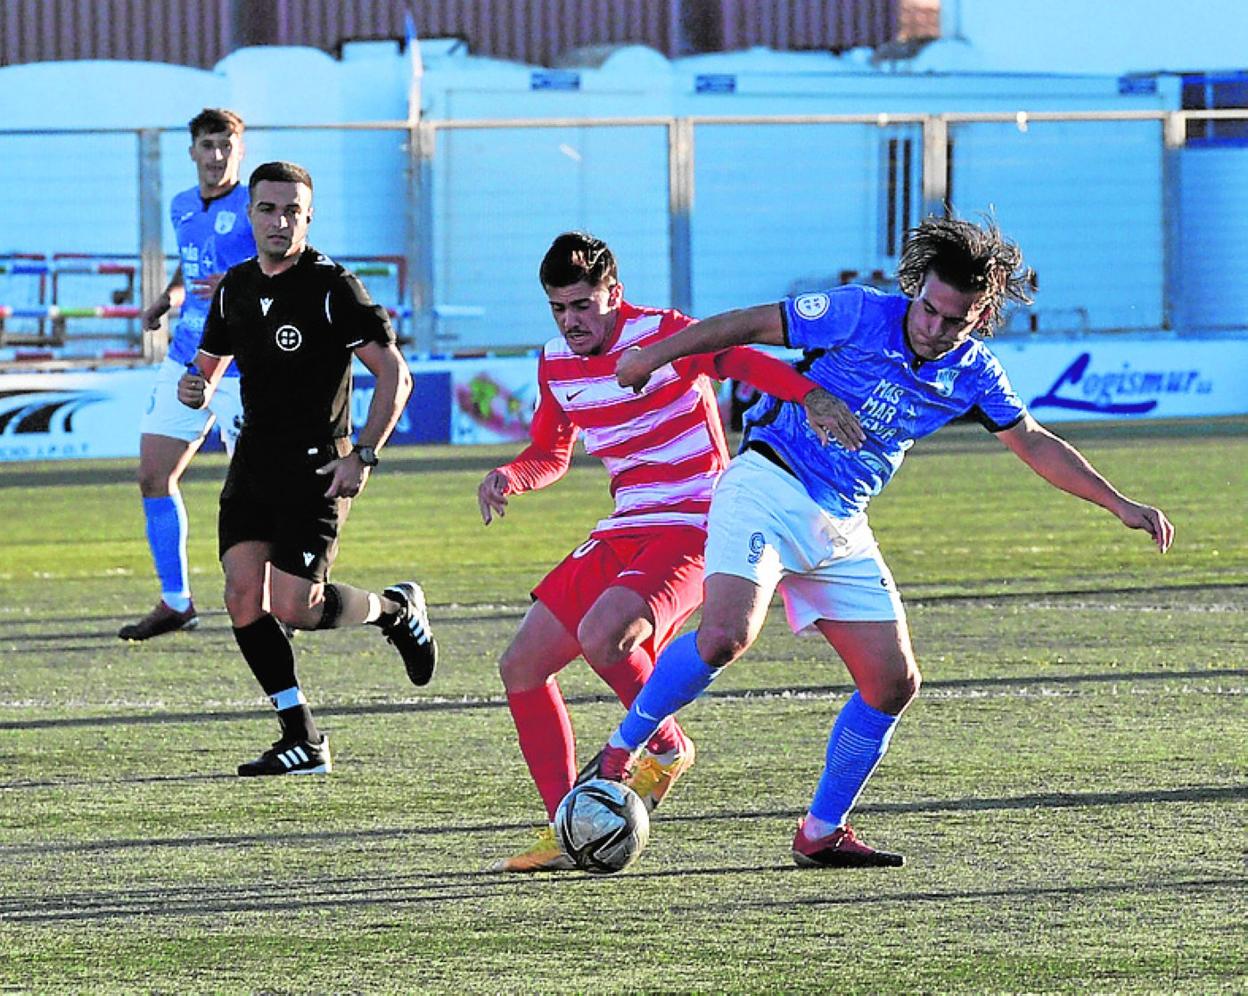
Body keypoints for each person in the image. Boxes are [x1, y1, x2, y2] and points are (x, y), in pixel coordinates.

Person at [581, 216, 1175, 868]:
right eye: (929, 309)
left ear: (979, 318)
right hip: (768, 485)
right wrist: (652, 356)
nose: (934, 328)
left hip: (842, 523)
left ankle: (821, 831)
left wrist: (1119, 503)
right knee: (726, 635)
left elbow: (1032, 442)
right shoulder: (859, 312)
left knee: (893, 683)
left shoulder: (975, 373)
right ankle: (619, 751)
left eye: (955, 321)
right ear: (916, 290)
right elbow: (747, 324)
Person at [477, 231, 827, 872]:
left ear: (614, 292)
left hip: (698, 522)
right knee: (521, 665)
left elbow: (741, 362)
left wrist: (810, 396)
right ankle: (568, 825)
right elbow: (550, 453)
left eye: (582, 305)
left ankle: (664, 747)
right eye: (558, 309)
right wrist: (510, 476)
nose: (570, 321)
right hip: (626, 525)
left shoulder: (664, 334)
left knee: (604, 635)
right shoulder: (555, 363)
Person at [177, 160, 437, 776]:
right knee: (242, 595)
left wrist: (363, 454)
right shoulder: (236, 288)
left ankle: (396, 611)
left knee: (296, 606)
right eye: (268, 209)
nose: (279, 221)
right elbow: (206, 369)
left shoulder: (333, 288)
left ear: (308, 217)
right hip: (253, 464)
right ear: (250, 214)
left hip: (317, 466)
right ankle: (302, 736)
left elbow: (395, 376)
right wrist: (195, 387)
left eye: (292, 211)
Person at [120, 108, 258, 641]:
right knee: (153, 475)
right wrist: (170, 295)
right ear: (192, 151)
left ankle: (270, 602)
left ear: (240, 151)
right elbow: (194, 261)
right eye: (208, 145)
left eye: (226, 145)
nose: (217, 156)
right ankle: (176, 601)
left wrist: (239, 284)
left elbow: (287, 267)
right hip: (187, 358)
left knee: (255, 492)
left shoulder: (257, 205)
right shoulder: (181, 205)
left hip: (244, 370)